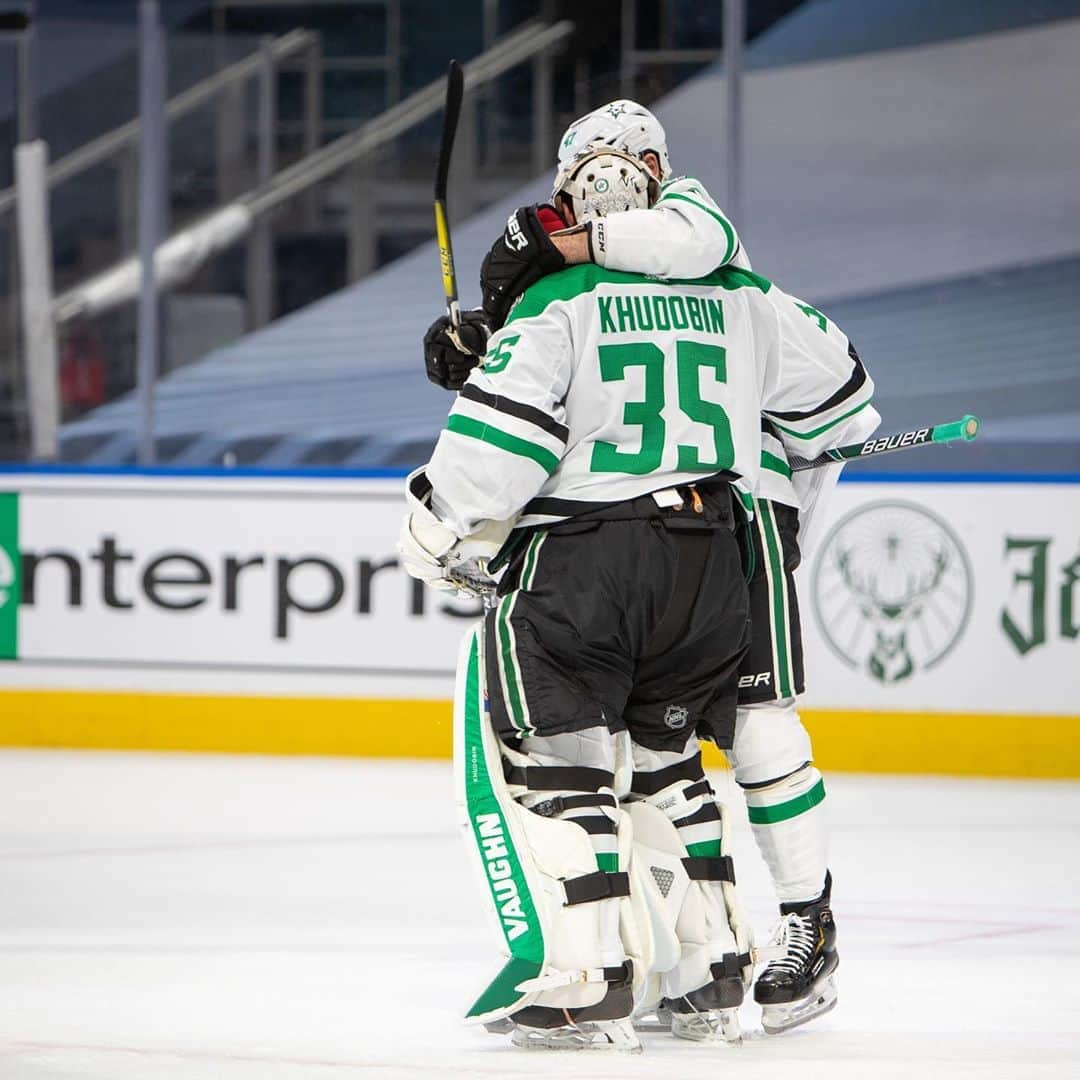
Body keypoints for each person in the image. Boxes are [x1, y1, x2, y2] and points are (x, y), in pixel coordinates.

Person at [401, 145, 878, 1052]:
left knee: (565, 763)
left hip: (595, 552)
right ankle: (709, 969)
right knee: (666, 762)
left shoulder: (575, 293)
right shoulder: (739, 292)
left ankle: (590, 977)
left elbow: (507, 444)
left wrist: (433, 526)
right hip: (715, 548)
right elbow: (846, 404)